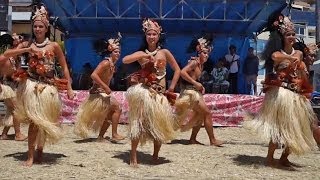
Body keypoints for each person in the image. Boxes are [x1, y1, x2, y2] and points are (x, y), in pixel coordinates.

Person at [4, 5, 74, 167]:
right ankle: (30, 155)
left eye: (40, 26)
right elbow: (7, 55)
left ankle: (40, 151)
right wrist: (27, 48)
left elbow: (63, 67)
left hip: (48, 88)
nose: (37, 29)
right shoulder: (28, 44)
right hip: (32, 87)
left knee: (44, 122)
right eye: (35, 26)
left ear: (46, 27)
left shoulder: (54, 46)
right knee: (35, 122)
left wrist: (69, 87)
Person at [244, 16, 317, 168]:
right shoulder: (277, 53)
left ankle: (284, 157)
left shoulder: (299, 53)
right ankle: (270, 158)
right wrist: (290, 59)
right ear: (282, 37)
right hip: (281, 95)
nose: (291, 37)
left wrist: (298, 64)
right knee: (278, 129)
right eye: (288, 34)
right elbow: (275, 57)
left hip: (296, 95)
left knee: (297, 128)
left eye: (293, 34)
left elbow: (299, 59)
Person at [122, 18, 180, 167]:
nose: (152, 37)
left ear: (158, 35)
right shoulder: (141, 53)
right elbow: (125, 60)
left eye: (154, 34)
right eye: (149, 34)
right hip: (145, 93)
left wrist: (172, 87)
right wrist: (143, 56)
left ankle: (155, 156)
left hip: (159, 95)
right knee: (138, 124)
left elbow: (177, 69)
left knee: (158, 125)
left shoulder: (164, 52)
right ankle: (133, 157)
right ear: (145, 36)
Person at [74, 33, 124, 142]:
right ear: (110, 52)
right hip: (98, 93)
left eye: (119, 52)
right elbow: (93, 75)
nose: (118, 54)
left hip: (102, 93)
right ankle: (114, 134)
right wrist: (105, 86)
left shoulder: (112, 64)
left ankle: (101, 137)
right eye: (116, 52)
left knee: (110, 114)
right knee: (117, 108)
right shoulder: (105, 62)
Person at [174, 35, 223, 146]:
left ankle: (192, 139)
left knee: (200, 115)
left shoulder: (200, 65)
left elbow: (194, 79)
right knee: (207, 113)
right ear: (199, 52)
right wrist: (195, 83)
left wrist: (200, 86)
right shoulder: (194, 62)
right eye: (204, 53)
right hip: (189, 93)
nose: (206, 56)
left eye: (207, 54)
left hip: (193, 92)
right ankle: (213, 140)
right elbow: (182, 72)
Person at [0, 33, 27, 141]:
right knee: (16, 108)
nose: (17, 37)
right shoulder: (4, 56)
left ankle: (4, 134)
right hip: (5, 86)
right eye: (16, 37)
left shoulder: (14, 57)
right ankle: (18, 134)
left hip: (11, 85)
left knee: (11, 109)